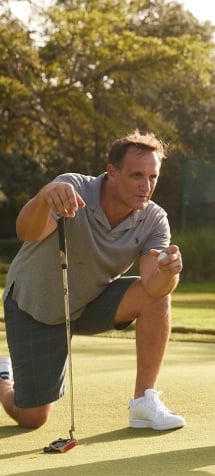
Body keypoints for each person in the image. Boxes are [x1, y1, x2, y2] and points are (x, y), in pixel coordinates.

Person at [0, 130, 185, 431]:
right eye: (137, 175)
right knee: (32, 418)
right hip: (34, 305)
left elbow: (153, 286)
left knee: (158, 297)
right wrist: (46, 197)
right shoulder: (71, 188)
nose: (146, 186)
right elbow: (27, 232)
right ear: (112, 172)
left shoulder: (154, 219)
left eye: (152, 177)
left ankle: (143, 403)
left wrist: (168, 273)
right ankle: (2, 380)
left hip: (88, 301)